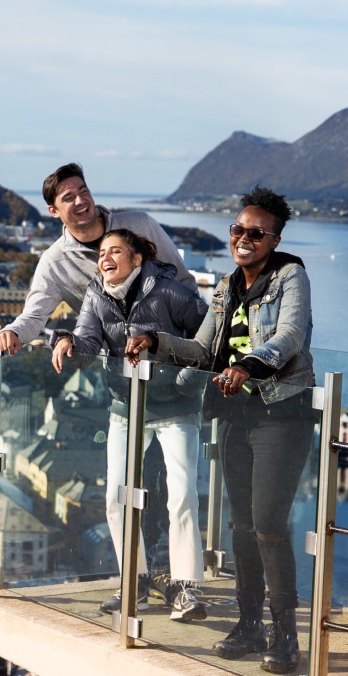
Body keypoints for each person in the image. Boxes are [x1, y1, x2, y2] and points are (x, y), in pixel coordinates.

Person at [145, 187, 314, 673]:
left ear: (274, 238)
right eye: (238, 229)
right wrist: (157, 341)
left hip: (282, 414)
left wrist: (249, 365)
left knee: (268, 526)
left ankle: (286, 636)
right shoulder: (225, 288)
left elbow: (290, 336)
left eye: (256, 233)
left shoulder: (290, 276)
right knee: (241, 526)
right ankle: (248, 624)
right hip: (237, 417)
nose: (244, 238)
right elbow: (202, 351)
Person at [55, 229, 210, 620]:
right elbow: (89, 342)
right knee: (116, 498)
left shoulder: (170, 292)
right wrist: (66, 341)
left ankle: (187, 588)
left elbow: (210, 340)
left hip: (176, 407)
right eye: (101, 252)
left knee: (182, 496)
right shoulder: (96, 294)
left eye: (115, 251)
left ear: (137, 259)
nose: (105, 258)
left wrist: (184, 382)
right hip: (126, 405)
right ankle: (135, 582)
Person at [0, 163, 190, 357]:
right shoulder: (55, 262)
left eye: (83, 191)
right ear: (53, 211)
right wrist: (13, 332)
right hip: (118, 371)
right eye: (68, 197)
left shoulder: (140, 225)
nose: (80, 201)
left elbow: (184, 282)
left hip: (173, 358)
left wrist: (193, 350)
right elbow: (34, 316)